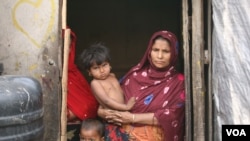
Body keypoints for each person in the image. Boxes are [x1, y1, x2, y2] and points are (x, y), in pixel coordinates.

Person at [98, 30, 185, 141]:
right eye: (155, 50)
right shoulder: (134, 75)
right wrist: (101, 111)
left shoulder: (178, 82)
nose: (159, 56)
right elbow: (112, 98)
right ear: (149, 51)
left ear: (174, 53)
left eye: (166, 51)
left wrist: (132, 118)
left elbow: (173, 116)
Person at [80, 43, 136, 140]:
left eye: (104, 65)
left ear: (110, 64)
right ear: (89, 72)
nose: (102, 70)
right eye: (96, 68)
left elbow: (121, 92)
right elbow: (106, 101)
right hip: (111, 121)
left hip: (124, 119)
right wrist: (126, 107)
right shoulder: (95, 83)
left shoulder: (113, 76)